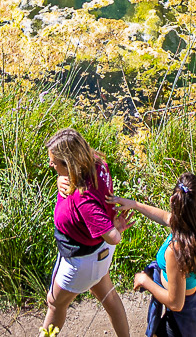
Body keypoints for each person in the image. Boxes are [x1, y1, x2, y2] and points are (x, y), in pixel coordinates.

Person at [41, 128, 130, 337]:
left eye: (55, 163)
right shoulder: (97, 162)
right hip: (99, 255)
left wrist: (115, 228)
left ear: (69, 163)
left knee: (55, 304)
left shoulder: (84, 198)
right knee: (108, 296)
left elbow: (113, 237)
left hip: (81, 260)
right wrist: (61, 180)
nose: (51, 165)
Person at [119, 173, 196, 336]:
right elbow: (167, 218)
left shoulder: (176, 251)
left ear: (173, 203)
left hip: (181, 320)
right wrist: (134, 204)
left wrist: (145, 280)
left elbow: (176, 303)